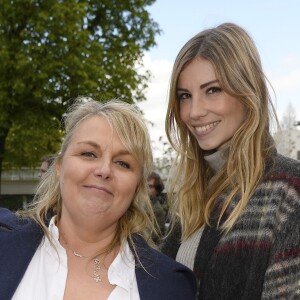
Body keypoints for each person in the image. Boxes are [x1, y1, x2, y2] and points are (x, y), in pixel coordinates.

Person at [0, 98, 196, 300]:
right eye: (89, 154)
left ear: (137, 186)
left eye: (123, 163)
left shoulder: (171, 287)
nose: (104, 170)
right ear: (59, 166)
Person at [161, 22, 300, 299]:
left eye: (212, 90)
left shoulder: (288, 190)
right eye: (185, 96)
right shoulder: (191, 195)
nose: (194, 112)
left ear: (247, 91)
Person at [147, 172, 166, 244]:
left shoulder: (157, 210)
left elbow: (153, 235)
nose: (146, 188)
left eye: (150, 186)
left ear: (157, 191)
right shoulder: (142, 204)